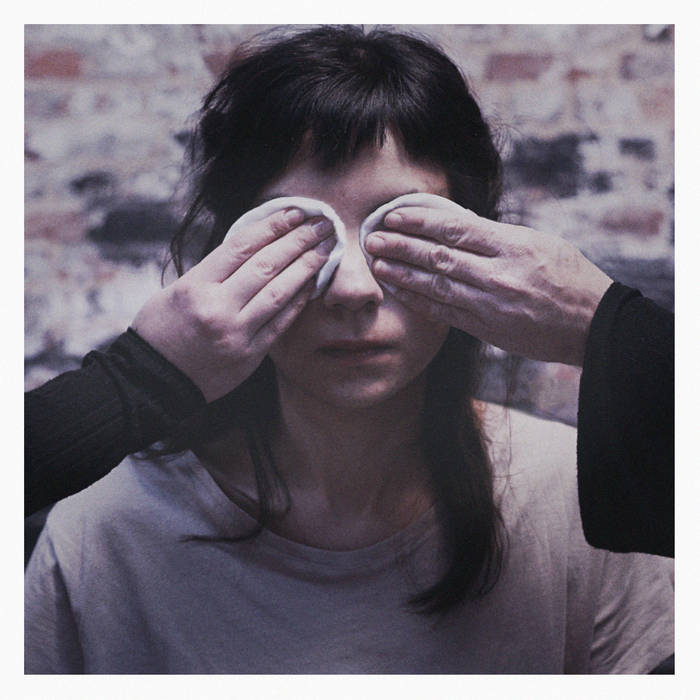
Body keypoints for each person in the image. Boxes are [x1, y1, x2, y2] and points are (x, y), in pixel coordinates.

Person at [25, 26, 673, 673]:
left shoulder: (575, 501)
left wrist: (602, 324)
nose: (353, 289)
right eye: (299, 236)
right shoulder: (106, 530)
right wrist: (142, 378)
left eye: (404, 230)